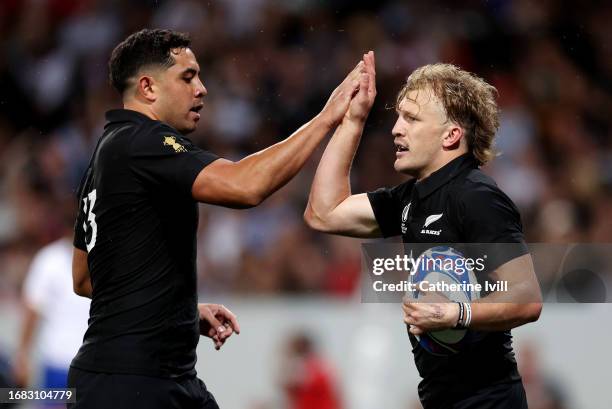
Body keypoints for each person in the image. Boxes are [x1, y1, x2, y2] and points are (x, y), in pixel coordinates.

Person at [69, 29, 365, 409]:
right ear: (147, 87)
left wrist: (178, 312)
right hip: (132, 383)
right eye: (187, 77)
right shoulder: (142, 142)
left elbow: (85, 277)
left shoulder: (104, 156)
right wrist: (327, 118)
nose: (202, 89)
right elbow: (246, 186)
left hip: (144, 377)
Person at [304, 53, 543, 408]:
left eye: (412, 119)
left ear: (451, 134)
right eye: (399, 116)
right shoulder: (411, 198)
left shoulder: (476, 197)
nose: (396, 129)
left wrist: (456, 313)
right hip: (440, 395)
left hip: (487, 398)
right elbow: (324, 213)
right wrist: (352, 120)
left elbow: (527, 298)